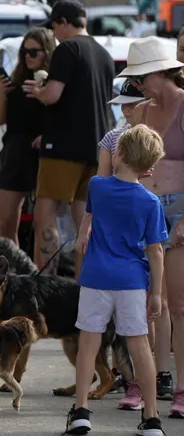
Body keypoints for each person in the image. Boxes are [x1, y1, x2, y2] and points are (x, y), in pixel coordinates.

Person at [68, 124, 166, 436]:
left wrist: (83, 233)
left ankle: (81, 410)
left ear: (118, 154)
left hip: (96, 276)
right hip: (132, 281)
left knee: (88, 342)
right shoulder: (151, 202)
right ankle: (151, 418)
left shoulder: (97, 185)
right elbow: (156, 250)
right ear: (150, 165)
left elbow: (91, 215)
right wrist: (157, 293)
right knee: (139, 346)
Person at [22, 0, 114, 277]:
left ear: (62, 22)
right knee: (84, 223)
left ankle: (45, 289)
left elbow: (52, 95)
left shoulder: (68, 49)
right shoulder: (104, 53)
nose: (53, 33)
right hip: (97, 148)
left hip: (62, 147)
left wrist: (38, 90)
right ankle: (83, 290)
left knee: (45, 219)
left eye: (54, 26)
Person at [120, 36, 184, 414]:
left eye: (143, 76)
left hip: (178, 210)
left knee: (177, 304)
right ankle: (141, 383)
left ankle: (180, 389)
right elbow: (129, 168)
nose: (139, 84)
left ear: (160, 72)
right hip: (144, 211)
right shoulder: (142, 112)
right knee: (143, 304)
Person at [0, 28, 55, 245]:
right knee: (7, 223)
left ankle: (39, 275)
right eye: (24, 52)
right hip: (14, 153)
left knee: (42, 224)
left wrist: (42, 92)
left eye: (34, 52)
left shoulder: (54, 85)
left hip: (42, 156)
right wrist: (2, 92)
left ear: (47, 53)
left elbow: (62, 117)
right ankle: (9, 275)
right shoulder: (17, 82)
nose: (28, 56)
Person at [95, 80, 146, 177]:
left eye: (132, 105)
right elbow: (102, 181)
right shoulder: (111, 138)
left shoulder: (162, 136)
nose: (125, 112)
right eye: (123, 104)